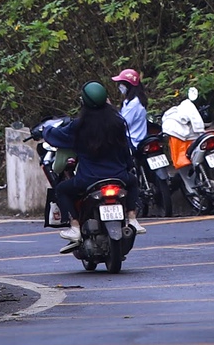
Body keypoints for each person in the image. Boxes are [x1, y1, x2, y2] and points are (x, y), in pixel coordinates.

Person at [39, 81, 144, 243]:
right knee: (133, 181)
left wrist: (46, 130)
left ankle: (74, 227)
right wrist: (127, 169)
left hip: (88, 179)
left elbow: (56, 136)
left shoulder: (79, 126)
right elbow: (126, 152)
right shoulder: (117, 123)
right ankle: (132, 218)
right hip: (118, 176)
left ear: (84, 102)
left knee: (61, 190)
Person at [111, 67, 152, 214]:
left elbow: (122, 123)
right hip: (139, 138)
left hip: (132, 140)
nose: (119, 87)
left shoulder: (133, 104)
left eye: (121, 83)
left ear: (127, 85)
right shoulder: (135, 101)